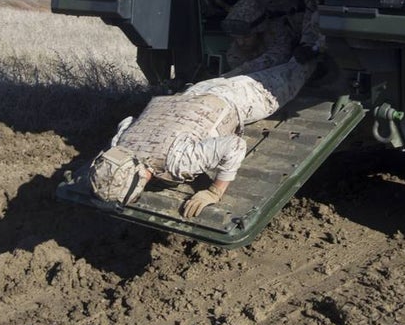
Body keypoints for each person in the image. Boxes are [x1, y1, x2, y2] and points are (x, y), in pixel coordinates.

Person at [87, 57, 316, 217]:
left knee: (301, 68)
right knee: (267, 61)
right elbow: (126, 121)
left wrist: (214, 192)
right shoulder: (120, 144)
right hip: (197, 90)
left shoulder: (178, 161)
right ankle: (290, 32)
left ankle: (314, 29)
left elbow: (235, 146)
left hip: (238, 98)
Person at [222, 0, 295, 76]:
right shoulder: (234, 55)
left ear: (260, 31)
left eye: (247, 37)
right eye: (236, 37)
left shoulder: (277, 31)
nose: (241, 43)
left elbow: (280, 55)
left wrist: (246, 69)